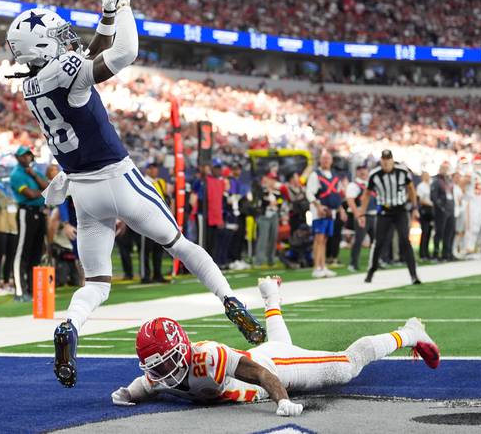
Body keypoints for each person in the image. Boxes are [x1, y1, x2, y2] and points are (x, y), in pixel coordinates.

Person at [5, 0, 265, 387]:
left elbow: (83, 59)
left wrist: (105, 17)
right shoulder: (62, 72)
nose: (66, 41)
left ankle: (70, 326)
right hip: (119, 179)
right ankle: (231, 301)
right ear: (42, 48)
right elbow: (123, 53)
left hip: (83, 194)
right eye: (56, 38)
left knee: (98, 283)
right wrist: (123, 8)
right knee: (182, 246)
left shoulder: (32, 85)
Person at [111, 277, 439, 413]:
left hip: (273, 369)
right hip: (266, 356)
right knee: (280, 344)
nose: (162, 371)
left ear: (183, 350)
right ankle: (271, 296)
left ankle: (410, 333)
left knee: (346, 366)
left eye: (166, 362)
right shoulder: (157, 374)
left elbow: (260, 373)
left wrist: (282, 400)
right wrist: (125, 393)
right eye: (156, 364)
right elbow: (140, 386)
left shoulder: (207, 358)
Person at [358, 150, 421, 285]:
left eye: (388, 159)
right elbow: (367, 193)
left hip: (400, 210)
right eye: (384, 159)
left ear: (392, 160)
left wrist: (414, 207)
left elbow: (411, 188)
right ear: (381, 160)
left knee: (405, 240)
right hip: (384, 212)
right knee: (379, 242)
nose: (386, 162)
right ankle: (371, 271)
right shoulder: (374, 174)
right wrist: (361, 213)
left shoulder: (402, 171)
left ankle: (414, 275)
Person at [9, 145, 48, 302]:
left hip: (39, 212)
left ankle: (33, 290)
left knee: (36, 253)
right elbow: (30, 194)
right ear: (18, 158)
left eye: (28, 155)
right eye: (23, 156)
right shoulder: (16, 174)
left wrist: (35, 176)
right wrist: (43, 191)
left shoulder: (34, 172)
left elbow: (48, 187)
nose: (26, 158)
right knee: (22, 251)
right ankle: (19, 291)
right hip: (27, 212)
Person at [306, 150, 346, 279]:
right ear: (320, 161)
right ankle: (316, 267)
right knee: (319, 238)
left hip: (332, 211)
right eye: (324, 159)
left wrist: (342, 209)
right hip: (320, 210)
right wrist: (318, 206)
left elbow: (338, 194)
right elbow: (309, 193)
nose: (326, 161)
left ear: (331, 161)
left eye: (328, 158)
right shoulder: (315, 175)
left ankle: (323, 266)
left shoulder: (334, 176)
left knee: (325, 239)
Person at [142, 162, 171, 282]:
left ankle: (157, 273)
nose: (155, 170)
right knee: (146, 249)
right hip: (146, 219)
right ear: (148, 170)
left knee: (158, 248)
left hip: (159, 219)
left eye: (156, 168)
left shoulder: (161, 182)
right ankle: (146, 275)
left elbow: (166, 198)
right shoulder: (142, 181)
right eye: (152, 168)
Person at [344, 163, 374, 272]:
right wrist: (359, 215)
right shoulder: (354, 185)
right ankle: (353, 263)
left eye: (364, 169)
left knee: (375, 241)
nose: (362, 172)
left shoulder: (371, 184)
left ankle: (374, 262)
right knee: (359, 240)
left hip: (373, 215)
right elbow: (350, 201)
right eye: (360, 169)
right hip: (362, 216)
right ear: (356, 172)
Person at [431, 162, 456, 261]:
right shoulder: (436, 181)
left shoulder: (449, 180)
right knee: (439, 232)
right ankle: (436, 254)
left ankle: (447, 254)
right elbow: (433, 196)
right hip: (441, 211)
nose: (445, 171)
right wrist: (441, 208)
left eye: (447, 169)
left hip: (450, 209)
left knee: (449, 232)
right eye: (443, 169)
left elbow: (451, 195)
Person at [416, 171, 433, 260]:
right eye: (425, 176)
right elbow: (420, 200)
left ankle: (426, 252)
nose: (427, 177)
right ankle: (422, 253)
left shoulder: (430, 185)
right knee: (425, 232)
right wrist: (430, 204)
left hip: (431, 210)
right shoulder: (420, 186)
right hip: (424, 210)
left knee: (429, 232)